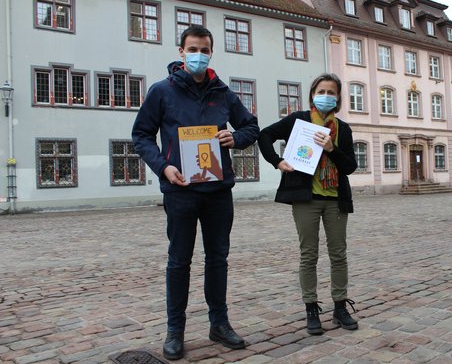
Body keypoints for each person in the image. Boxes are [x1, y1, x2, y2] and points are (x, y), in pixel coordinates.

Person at [132, 25, 259, 360]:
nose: (198, 55)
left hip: (218, 190)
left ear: (211, 52)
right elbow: (142, 135)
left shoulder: (224, 93)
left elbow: (251, 126)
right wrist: (163, 167)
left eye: (204, 50)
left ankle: (219, 323)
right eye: (192, 49)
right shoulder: (162, 91)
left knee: (218, 259)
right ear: (181, 52)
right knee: (179, 261)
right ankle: (176, 330)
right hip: (181, 190)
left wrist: (237, 138)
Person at [258, 73, 358, 335]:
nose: (326, 95)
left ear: (337, 98)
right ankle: (311, 309)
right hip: (306, 199)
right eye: (321, 91)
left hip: (336, 199)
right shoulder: (298, 121)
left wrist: (331, 148)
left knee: (339, 254)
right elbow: (265, 135)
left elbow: (350, 166)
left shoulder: (343, 129)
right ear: (313, 94)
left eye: (331, 92)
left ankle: (339, 306)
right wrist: (277, 161)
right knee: (308, 255)